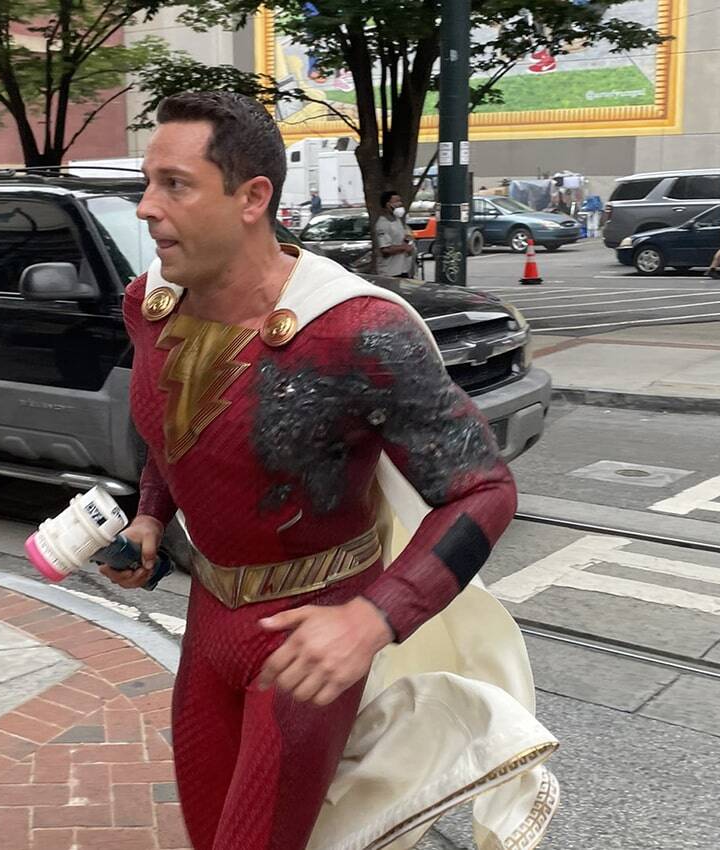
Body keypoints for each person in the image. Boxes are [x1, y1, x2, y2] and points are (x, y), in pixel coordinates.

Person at [103, 91, 555, 850]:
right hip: (210, 620)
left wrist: (372, 619)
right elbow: (172, 428)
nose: (147, 207)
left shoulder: (354, 330)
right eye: (148, 183)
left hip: (307, 646)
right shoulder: (151, 304)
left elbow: (483, 489)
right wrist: (152, 514)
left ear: (253, 199)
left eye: (175, 185)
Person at [376, 190, 415, 277]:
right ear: (388, 205)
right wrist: (404, 248)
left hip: (403, 268)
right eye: (396, 201)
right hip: (391, 271)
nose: (400, 204)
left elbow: (402, 238)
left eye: (400, 201)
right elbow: (385, 249)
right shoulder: (383, 224)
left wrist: (407, 239)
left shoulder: (397, 220)